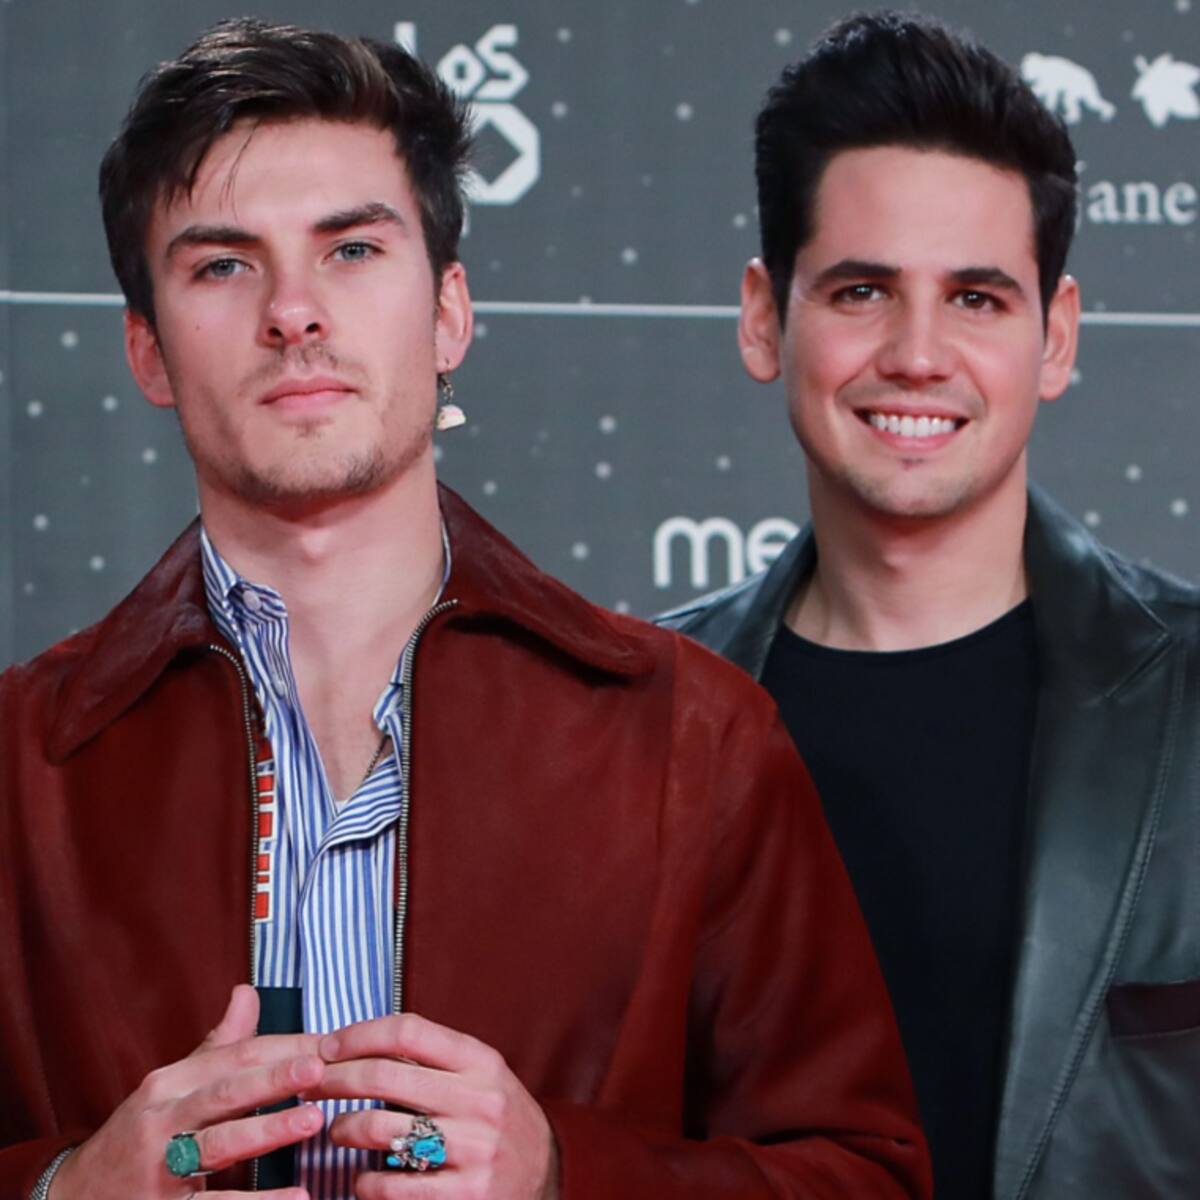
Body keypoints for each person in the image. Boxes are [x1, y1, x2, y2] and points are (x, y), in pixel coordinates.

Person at [0, 18, 930, 1200]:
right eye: (223, 265)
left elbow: (868, 1176)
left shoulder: (693, 739)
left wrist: (564, 1178)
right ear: (146, 349)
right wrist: (65, 1188)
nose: (294, 312)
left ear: (449, 312)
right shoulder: (19, 767)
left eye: (351, 250)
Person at [661, 10, 1200, 1199]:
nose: (917, 353)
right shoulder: (632, 719)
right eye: (862, 290)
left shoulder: (1191, 705)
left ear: (1056, 337)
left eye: (977, 299)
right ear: (765, 317)